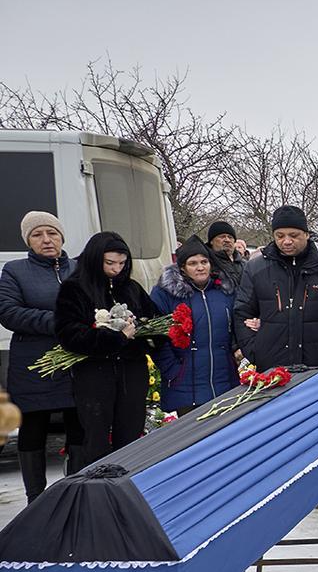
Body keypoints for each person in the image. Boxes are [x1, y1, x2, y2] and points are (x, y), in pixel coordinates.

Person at [54, 232, 159, 466]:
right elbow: (69, 334)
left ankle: (127, 482)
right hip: (94, 373)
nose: (116, 269)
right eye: (110, 263)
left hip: (131, 370)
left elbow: (154, 323)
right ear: (94, 259)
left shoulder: (131, 288)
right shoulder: (76, 288)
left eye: (122, 264)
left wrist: (143, 332)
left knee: (131, 431)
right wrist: (115, 338)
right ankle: (96, 487)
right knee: (96, 436)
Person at [0, 211, 83, 500]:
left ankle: (77, 491)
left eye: (52, 233)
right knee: (34, 427)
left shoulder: (79, 268)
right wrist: (61, 321)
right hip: (34, 365)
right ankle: (36, 498)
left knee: (79, 426)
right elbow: (9, 313)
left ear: (61, 236)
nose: (46, 240)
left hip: (76, 364)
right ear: (28, 241)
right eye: (37, 235)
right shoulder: (15, 271)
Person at [235, 206, 318, 370]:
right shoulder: (256, 268)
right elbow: (242, 313)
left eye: (293, 235)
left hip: (317, 366)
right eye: (280, 236)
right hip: (271, 366)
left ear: (306, 234)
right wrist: (255, 351)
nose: (287, 241)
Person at [149, 238, 237, 415]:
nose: (200, 267)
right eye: (193, 263)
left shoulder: (226, 291)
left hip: (223, 380)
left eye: (204, 262)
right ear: (182, 268)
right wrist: (173, 369)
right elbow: (155, 336)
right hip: (184, 383)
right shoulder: (165, 294)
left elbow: (237, 324)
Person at [205, 220, 245, 287]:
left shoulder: (245, 265)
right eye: (222, 236)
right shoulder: (205, 263)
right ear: (211, 241)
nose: (227, 240)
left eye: (230, 237)